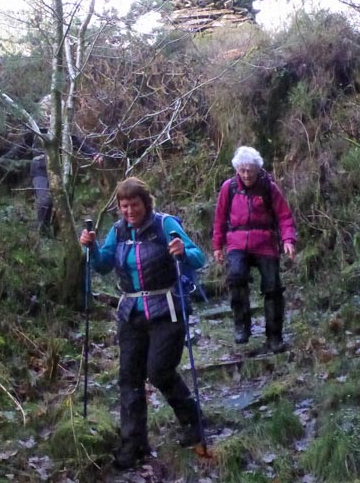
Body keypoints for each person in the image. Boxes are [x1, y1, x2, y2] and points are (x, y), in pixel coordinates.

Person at [79, 177, 205, 469]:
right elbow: (102, 264)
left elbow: (199, 257)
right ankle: (133, 443)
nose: (129, 211)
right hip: (132, 312)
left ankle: (193, 421)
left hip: (167, 309)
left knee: (159, 371)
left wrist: (182, 251)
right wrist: (92, 248)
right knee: (128, 379)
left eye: (134, 205)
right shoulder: (118, 231)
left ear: (145, 203)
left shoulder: (164, 225)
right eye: (124, 206)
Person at [212, 146, 296, 353]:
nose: (246, 174)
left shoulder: (269, 188)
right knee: (236, 276)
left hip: (265, 242)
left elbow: (284, 216)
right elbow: (220, 218)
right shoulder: (228, 188)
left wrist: (288, 240)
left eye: (250, 170)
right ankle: (242, 325)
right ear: (237, 170)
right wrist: (217, 246)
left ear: (258, 169)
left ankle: (274, 336)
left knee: (273, 288)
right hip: (237, 243)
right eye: (242, 170)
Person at [0, 130, 103, 236]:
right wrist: (2, 160)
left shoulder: (61, 128)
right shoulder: (36, 129)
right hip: (39, 170)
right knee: (44, 200)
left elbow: (77, 143)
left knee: (56, 200)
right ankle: (42, 235)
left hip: (56, 170)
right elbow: (20, 148)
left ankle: (50, 232)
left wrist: (94, 154)